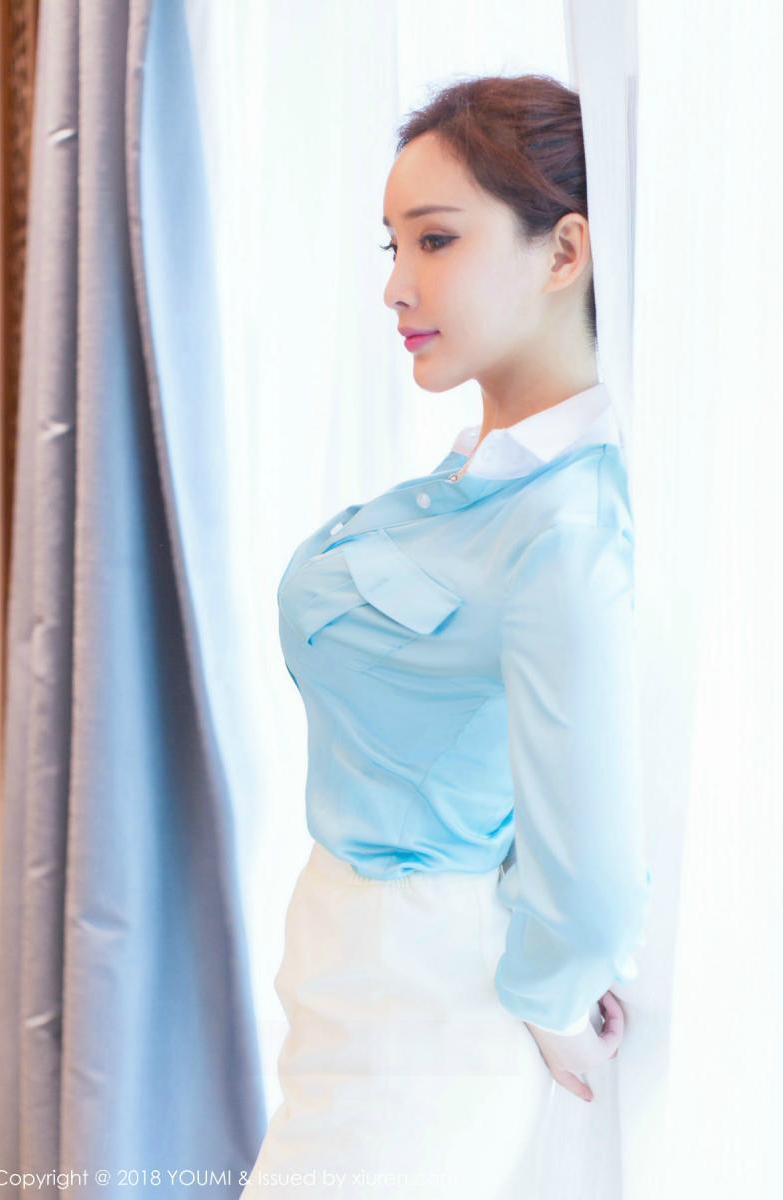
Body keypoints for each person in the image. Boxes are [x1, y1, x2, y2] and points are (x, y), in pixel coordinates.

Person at [242, 74, 652, 1199]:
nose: (395, 285)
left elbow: (592, 863)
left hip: (424, 1015)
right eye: (393, 245)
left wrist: (552, 1002)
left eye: (434, 240)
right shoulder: (476, 478)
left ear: (563, 251)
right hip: (352, 992)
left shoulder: (566, 527)